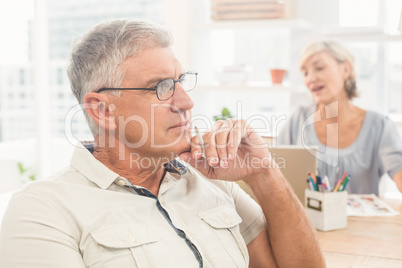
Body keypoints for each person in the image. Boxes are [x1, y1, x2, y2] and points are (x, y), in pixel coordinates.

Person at [0, 19, 325, 267]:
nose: (186, 101)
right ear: (102, 110)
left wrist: (263, 173)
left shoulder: (211, 180)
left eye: (181, 81)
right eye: (161, 87)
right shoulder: (43, 209)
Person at [278, 40, 402, 195]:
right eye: (305, 73)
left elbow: (399, 172)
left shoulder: (380, 126)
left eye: (319, 68)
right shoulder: (298, 120)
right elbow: (274, 174)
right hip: (306, 219)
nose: (310, 79)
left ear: (345, 69)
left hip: (360, 219)